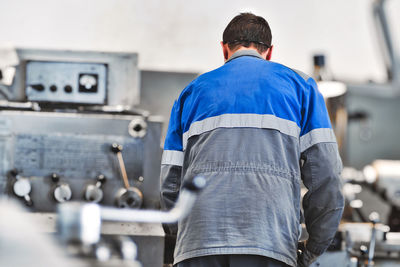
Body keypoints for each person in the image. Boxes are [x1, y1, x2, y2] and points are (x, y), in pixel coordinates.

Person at [160, 12, 344, 267]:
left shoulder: (191, 92)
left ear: (224, 49)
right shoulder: (301, 87)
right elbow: (327, 176)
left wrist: (182, 240)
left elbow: (170, 184)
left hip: (197, 246)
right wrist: (313, 249)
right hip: (270, 244)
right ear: (269, 52)